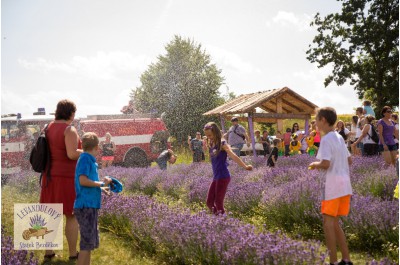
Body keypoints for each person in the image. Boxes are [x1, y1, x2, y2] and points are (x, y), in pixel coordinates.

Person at [308, 107, 353, 265]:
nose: (315, 123)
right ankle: (346, 259)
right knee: (335, 223)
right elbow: (350, 160)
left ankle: (333, 261)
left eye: (316, 119)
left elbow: (326, 163)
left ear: (323, 120)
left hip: (332, 186)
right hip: (345, 185)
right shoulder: (339, 138)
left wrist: (315, 164)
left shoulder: (326, 139)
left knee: (328, 224)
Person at [39, 99, 82, 261]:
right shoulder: (68, 129)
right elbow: (71, 154)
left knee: (51, 215)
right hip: (66, 179)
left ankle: (48, 253)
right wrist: (87, 151)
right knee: (71, 215)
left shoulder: (48, 127)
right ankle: (72, 254)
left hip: (49, 178)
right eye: (74, 113)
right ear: (70, 113)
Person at [74, 132, 112, 265]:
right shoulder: (85, 159)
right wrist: (102, 183)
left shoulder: (88, 159)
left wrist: (101, 189)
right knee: (86, 244)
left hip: (90, 205)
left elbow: (87, 184)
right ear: (96, 147)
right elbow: (83, 181)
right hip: (86, 206)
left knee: (89, 243)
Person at [203, 122, 252, 215]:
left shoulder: (222, 143)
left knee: (218, 202)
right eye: (206, 135)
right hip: (216, 176)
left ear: (215, 132)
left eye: (209, 135)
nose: (208, 137)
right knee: (209, 203)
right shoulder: (211, 143)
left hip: (223, 176)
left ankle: (222, 222)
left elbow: (233, 156)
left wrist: (245, 166)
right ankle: (218, 220)